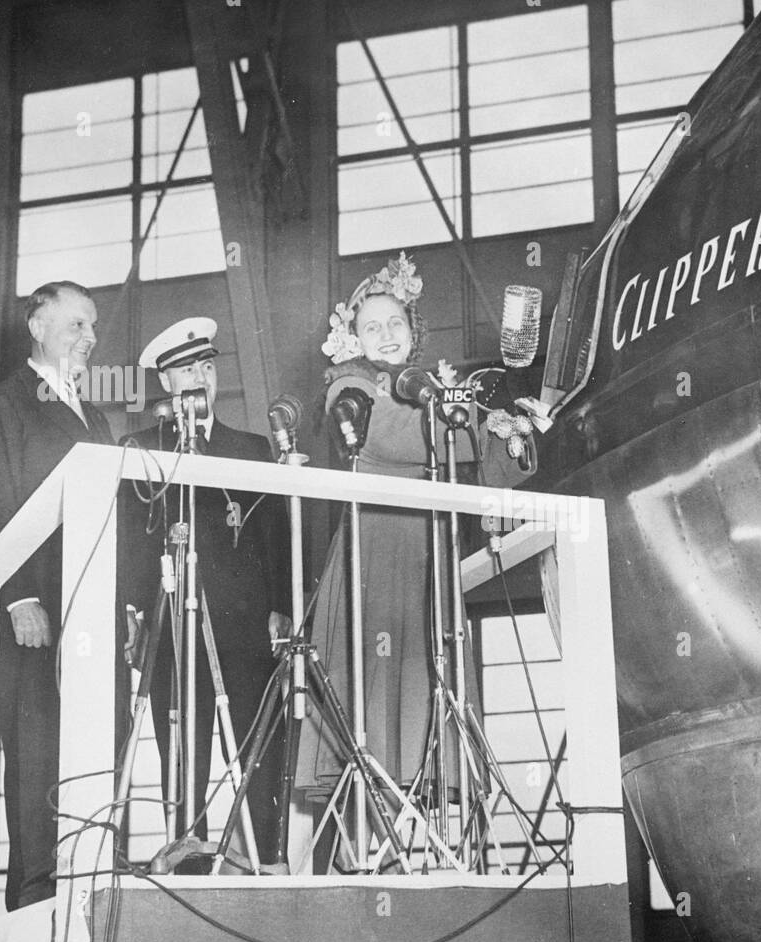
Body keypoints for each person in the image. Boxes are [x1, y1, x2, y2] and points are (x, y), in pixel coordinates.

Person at [293, 252, 537, 829]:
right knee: (371, 706)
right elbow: (398, 436)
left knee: (418, 694)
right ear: (350, 338)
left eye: (395, 324)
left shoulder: (432, 390)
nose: (385, 336)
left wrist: (520, 430)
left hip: (428, 556)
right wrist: (476, 421)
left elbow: (497, 468)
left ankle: (406, 854)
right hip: (375, 554)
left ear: (413, 332)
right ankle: (344, 858)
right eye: (370, 327)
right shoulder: (349, 385)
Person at [0, 280, 120, 910]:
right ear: (37, 325)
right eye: (75, 324)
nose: (88, 338)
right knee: (35, 764)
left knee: (90, 758)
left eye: (92, 327)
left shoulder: (99, 417)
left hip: (93, 614)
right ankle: (33, 907)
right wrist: (20, 597)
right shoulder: (2, 403)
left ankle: (90, 894)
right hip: (35, 617)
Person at [122, 318, 291, 864]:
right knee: (181, 759)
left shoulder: (251, 449)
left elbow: (276, 537)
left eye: (207, 366)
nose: (200, 377)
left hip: (244, 633)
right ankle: (187, 866)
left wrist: (283, 607)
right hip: (171, 632)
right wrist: (130, 613)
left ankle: (266, 862)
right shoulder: (139, 451)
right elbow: (128, 543)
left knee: (256, 755)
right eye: (186, 369)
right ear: (166, 383)